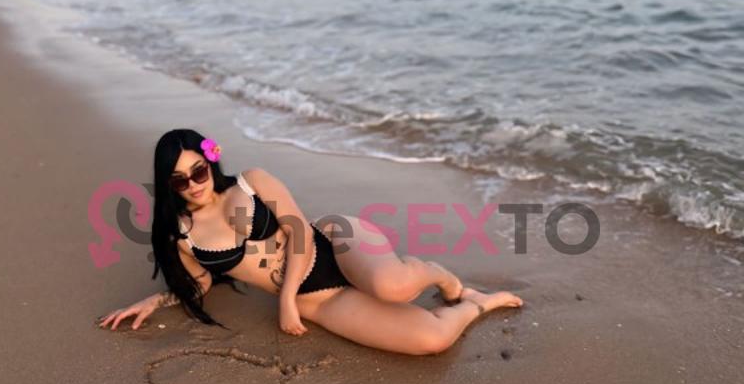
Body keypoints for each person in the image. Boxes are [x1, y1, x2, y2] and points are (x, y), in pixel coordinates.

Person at [97, 129, 523, 355]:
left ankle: (444, 278)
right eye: (179, 180)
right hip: (319, 299)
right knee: (432, 340)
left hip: (332, 244)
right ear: (168, 185)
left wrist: (284, 300)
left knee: (393, 287)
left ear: (211, 161)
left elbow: (299, 230)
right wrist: (156, 301)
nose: (192, 184)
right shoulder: (184, 236)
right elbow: (200, 284)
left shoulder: (251, 182)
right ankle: (478, 303)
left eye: (198, 171)